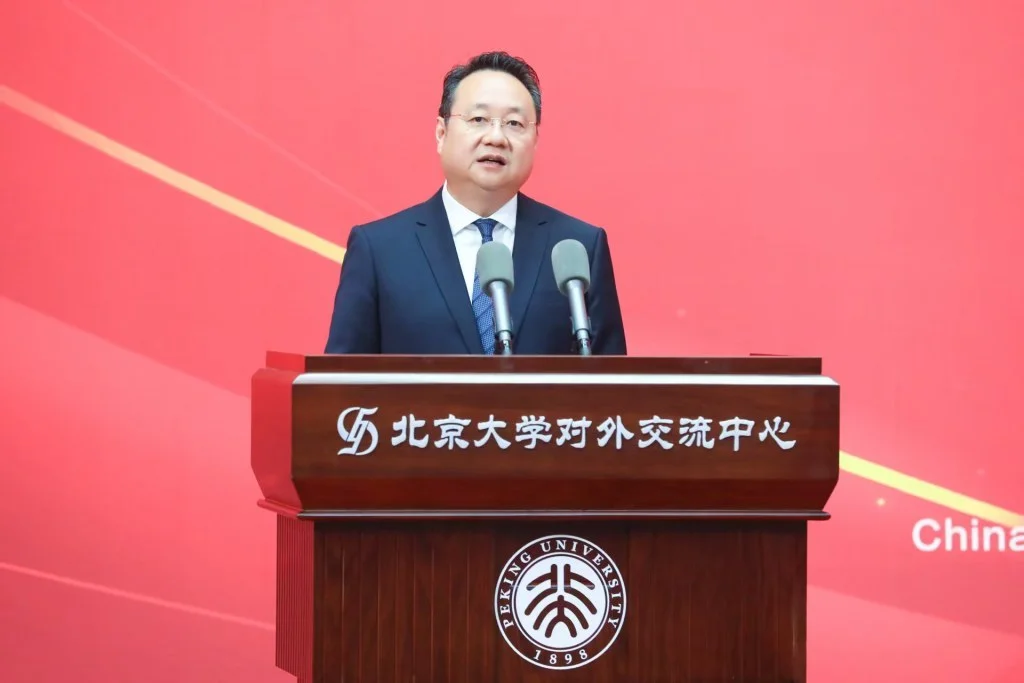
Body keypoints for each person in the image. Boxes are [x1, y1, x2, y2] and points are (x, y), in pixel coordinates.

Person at [323, 51, 627, 355]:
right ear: (441, 133)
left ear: (535, 140)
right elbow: (342, 377)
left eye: (514, 123)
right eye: (478, 119)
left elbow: (613, 379)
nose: (496, 137)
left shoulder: (577, 248)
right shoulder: (379, 250)